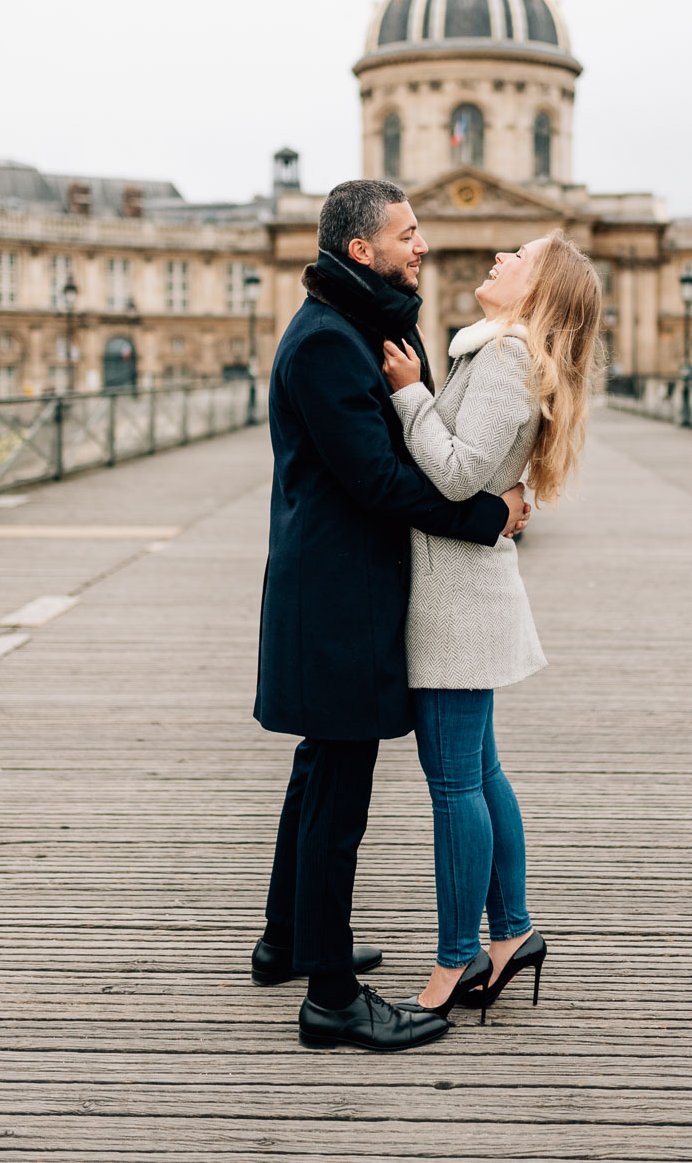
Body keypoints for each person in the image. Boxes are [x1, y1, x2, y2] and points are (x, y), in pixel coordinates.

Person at [252, 179, 531, 1053]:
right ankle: (333, 999)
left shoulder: (360, 324)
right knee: (340, 796)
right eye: (407, 234)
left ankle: (290, 942)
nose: (423, 245)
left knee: (316, 774)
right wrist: (489, 516)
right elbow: (377, 479)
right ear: (360, 250)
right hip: (341, 600)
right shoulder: (332, 342)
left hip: (336, 588)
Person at [381, 230, 602, 1019]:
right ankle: (509, 933)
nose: (501, 258)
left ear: (539, 291)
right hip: (468, 590)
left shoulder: (505, 358)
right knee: (480, 776)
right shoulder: (500, 353)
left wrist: (410, 390)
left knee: (452, 785)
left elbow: (456, 473)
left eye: (522, 257)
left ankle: (455, 961)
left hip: (455, 599)